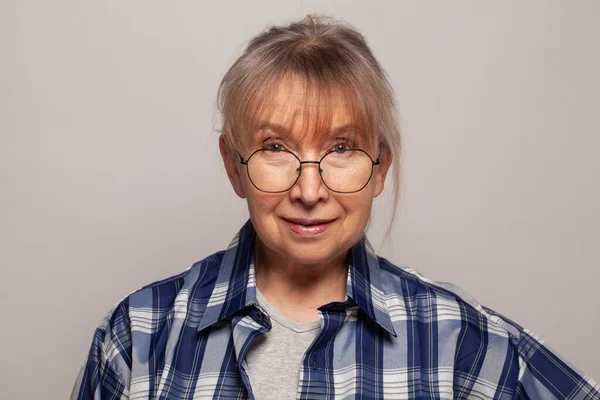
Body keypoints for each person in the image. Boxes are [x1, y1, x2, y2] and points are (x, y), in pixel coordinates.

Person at [71, 15, 599, 400]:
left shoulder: (459, 341)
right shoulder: (140, 335)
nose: (308, 190)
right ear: (234, 166)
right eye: (275, 148)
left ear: (379, 169)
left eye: (341, 148)